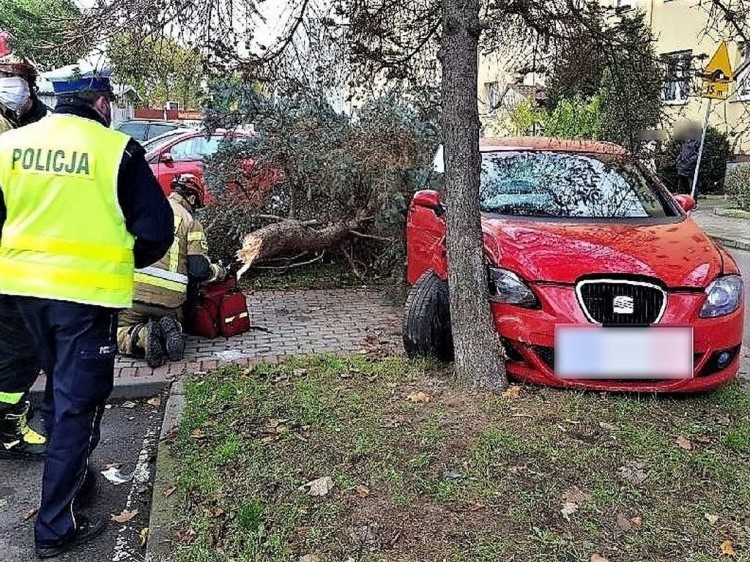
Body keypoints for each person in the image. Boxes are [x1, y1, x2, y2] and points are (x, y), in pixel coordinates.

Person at [0, 61, 174, 558]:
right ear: (101, 102)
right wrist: (119, 257)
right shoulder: (115, 150)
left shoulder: (10, 146)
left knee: (57, 388)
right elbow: (156, 230)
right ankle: (55, 528)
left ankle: (75, 483)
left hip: (19, 294)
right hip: (86, 300)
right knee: (79, 404)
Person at [117, 173, 227, 368]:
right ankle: (172, 326)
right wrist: (220, 271)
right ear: (192, 198)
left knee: (119, 330)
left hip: (133, 293)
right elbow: (199, 270)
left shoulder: (144, 210)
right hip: (171, 299)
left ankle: (142, 336)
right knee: (174, 317)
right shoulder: (190, 221)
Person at [0, 34, 49, 458]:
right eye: (9, 76)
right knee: (20, 348)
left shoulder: (11, 121)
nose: (16, 85)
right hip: (9, 260)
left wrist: (31, 109)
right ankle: (8, 431)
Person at [676, 124, 701, 196]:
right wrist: (678, 159)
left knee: (692, 187)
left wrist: (690, 161)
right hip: (682, 167)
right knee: (682, 187)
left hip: (691, 168)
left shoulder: (697, 141)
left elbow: (698, 154)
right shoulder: (686, 141)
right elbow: (682, 151)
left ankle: (693, 200)